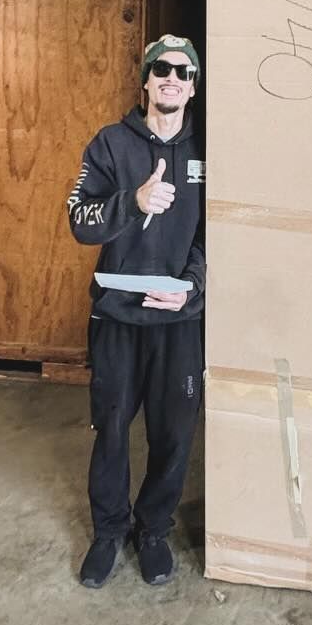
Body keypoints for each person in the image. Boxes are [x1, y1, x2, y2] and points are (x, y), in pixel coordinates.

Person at [66, 34, 205, 589]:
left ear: (193, 87)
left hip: (178, 321)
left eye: (183, 71)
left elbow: (213, 236)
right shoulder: (109, 145)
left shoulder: (208, 151)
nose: (171, 77)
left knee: (174, 433)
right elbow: (80, 220)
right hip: (119, 320)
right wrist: (134, 202)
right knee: (114, 430)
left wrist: (191, 291)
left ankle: (152, 531)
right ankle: (107, 532)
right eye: (161, 68)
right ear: (145, 80)